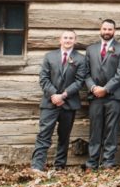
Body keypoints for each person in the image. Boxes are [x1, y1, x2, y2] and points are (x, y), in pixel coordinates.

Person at [31, 30, 87, 174]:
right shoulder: (49, 56)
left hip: (69, 103)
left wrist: (63, 95)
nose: (68, 40)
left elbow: (79, 81)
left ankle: (60, 166)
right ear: (60, 40)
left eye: (71, 38)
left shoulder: (81, 59)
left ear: (75, 41)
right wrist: (54, 95)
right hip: (50, 102)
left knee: (64, 136)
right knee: (44, 134)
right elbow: (44, 78)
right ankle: (37, 166)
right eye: (65, 38)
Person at [84, 19, 120, 170]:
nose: (107, 32)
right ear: (100, 29)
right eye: (104, 29)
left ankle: (108, 162)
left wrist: (106, 89)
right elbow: (85, 73)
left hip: (114, 96)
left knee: (112, 130)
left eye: (110, 29)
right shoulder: (91, 49)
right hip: (95, 96)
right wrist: (93, 88)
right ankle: (92, 162)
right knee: (95, 130)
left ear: (114, 31)